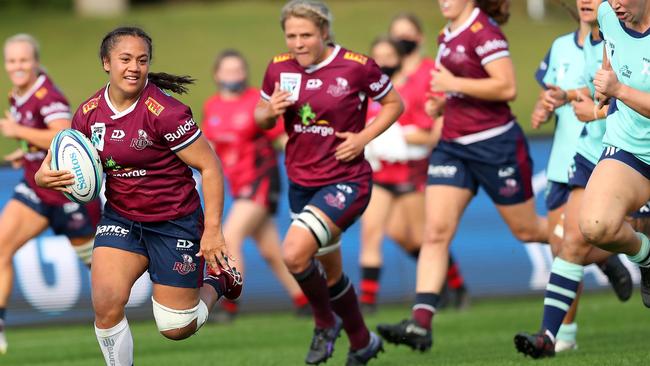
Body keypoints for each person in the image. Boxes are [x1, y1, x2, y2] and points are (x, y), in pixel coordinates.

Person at [34, 27, 242, 366]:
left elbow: (211, 167)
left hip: (175, 222)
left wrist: (214, 230)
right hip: (122, 219)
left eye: (142, 60)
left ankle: (219, 280)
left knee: (177, 327)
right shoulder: (88, 114)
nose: (134, 67)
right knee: (105, 303)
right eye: (125, 59)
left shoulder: (166, 112)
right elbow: (58, 159)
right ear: (106, 63)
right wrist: (45, 176)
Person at [377, 0, 551, 352]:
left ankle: (593, 248)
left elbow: (506, 88)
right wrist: (442, 103)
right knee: (435, 231)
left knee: (527, 229)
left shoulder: (484, 32)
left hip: (494, 146)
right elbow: (455, 88)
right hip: (453, 147)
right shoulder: (446, 35)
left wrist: (453, 82)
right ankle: (421, 323)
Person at [254, 1, 403, 364]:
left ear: (324, 32)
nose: (298, 43)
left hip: (346, 180)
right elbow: (259, 120)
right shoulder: (278, 68)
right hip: (301, 182)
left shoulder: (356, 66)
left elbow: (395, 104)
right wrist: (268, 112)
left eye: (306, 35)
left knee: (293, 254)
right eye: (291, 35)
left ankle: (323, 323)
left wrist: (363, 138)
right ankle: (363, 341)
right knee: (331, 275)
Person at [517, 0, 650, 357]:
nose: (613, 4)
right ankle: (553, 334)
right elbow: (611, 56)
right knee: (589, 228)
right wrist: (604, 89)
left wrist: (614, 92)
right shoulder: (609, 17)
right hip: (628, 150)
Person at [359, 15, 469, 315]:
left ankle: (453, 286)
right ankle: (366, 304)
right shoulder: (369, 91)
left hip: (413, 170)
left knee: (421, 238)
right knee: (374, 232)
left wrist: (400, 137)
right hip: (380, 173)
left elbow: (431, 129)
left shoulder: (421, 78)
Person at [0, 33, 101, 355]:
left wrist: (18, 132)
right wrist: (25, 151)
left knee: (101, 270)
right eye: (12, 60)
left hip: (67, 193)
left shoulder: (47, 95)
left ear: (36, 61)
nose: (18, 66)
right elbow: (41, 143)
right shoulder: (16, 94)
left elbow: (61, 135)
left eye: (23, 60)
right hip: (35, 187)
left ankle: (171, 294)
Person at [202, 49, 308, 319]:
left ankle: (229, 305)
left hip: (262, 179)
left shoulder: (255, 102)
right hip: (238, 184)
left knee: (231, 235)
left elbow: (281, 136)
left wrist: (309, 155)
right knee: (271, 250)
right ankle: (307, 300)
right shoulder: (211, 106)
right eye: (228, 70)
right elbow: (209, 147)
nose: (233, 75)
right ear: (216, 74)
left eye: (238, 70)